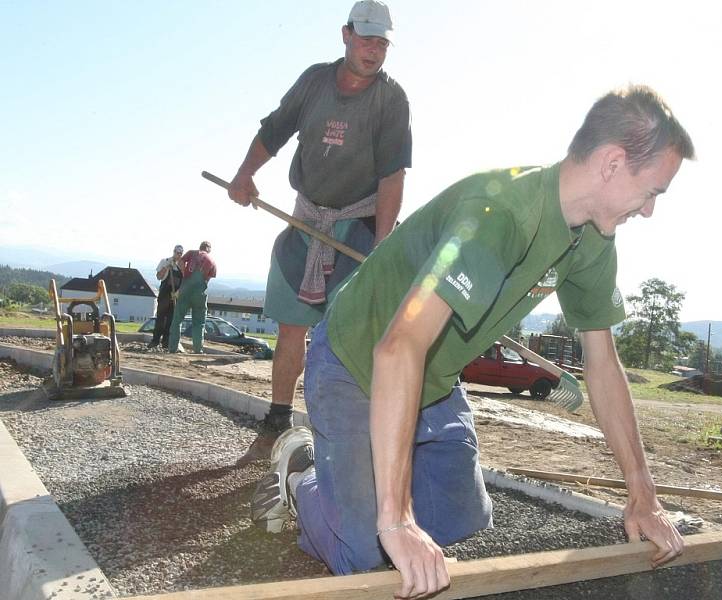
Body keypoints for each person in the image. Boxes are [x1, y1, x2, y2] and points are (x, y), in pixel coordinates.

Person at [251, 85, 695, 598]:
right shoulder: (496, 214)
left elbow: (603, 365)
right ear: (614, 162)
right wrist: (395, 521)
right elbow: (397, 348)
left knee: (461, 521)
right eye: (653, 192)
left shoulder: (593, 240)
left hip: (430, 377)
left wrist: (643, 495)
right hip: (353, 360)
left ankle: (372, 480)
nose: (649, 211)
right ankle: (302, 477)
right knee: (369, 553)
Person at [228, 0, 412, 467]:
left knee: (346, 333)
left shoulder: (391, 100)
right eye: (367, 39)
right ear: (346, 34)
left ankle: (340, 437)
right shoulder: (314, 81)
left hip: (359, 227)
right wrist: (245, 174)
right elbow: (275, 130)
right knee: (292, 327)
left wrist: (383, 245)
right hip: (305, 220)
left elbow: (393, 177)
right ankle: (276, 420)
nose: (374, 51)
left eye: (383, 44)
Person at [168, 241, 217, 354]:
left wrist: (184, 272)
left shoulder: (191, 253)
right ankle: (197, 350)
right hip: (199, 295)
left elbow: (180, 262)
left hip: (185, 292)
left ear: (200, 247)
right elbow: (207, 280)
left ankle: (172, 348)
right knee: (199, 323)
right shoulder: (212, 261)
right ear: (209, 249)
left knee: (177, 320)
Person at [148, 244, 184, 350]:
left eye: (180, 253)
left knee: (171, 320)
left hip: (175, 295)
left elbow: (184, 280)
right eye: (177, 252)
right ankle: (155, 341)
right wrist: (166, 267)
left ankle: (166, 342)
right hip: (164, 294)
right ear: (173, 252)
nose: (178, 255)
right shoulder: (165, 261)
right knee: (160, 318)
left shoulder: (182, 265)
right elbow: (159, 276)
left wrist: (178, 292)